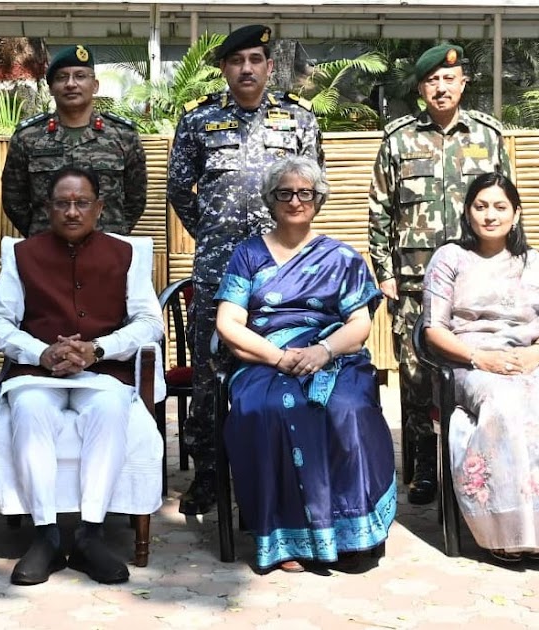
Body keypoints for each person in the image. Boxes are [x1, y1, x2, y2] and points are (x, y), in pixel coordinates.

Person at [0, 166, 163, 586]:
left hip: (102, 372)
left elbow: (150, 322)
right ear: (48, 208)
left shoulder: (126, 254)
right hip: (37, 372)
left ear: (99, 207)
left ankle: (89, 534)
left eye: (82, 203)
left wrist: (98, 349)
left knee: (111, 408)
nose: (73, 212)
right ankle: (45, 535)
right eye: (62, 203)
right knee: (29, 407)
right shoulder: (23, 254)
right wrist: (39, 352)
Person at [166, 24, 323, 515]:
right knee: (210, 374)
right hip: (218, 271)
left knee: (286, 363)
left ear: (270, 66)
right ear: (224, 69)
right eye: (237, 61)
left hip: (283, 272)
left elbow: (312, 188)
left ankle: (285, 465)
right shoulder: (198, 120)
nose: (247, 69)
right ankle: (209, 474)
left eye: (256, 59)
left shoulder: (298, 118)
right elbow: (179, 190)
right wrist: (212, 236)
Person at [215, 157, 394, 573]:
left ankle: (351, 533)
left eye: (304, 193)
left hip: (332, 356)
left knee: (347, 408)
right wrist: (278, 357)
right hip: (265, 358)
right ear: (270, 200)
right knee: (267, 410)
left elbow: (359, 324)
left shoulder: (342, 257)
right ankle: (286, 536)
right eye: (285, 193)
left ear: (318, 199)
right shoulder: (248, 254)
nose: (295, 201)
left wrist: (323, 352)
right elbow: (228, 323)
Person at [369, 44, 512, 505]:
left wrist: (510, 268)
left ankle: (473, 463)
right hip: (414, 282)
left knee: (473, 370)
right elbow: (380, 209)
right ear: (421, 88)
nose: (441, 87)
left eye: (450, 79)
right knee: (415, 377)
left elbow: (507, 205)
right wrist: (385, 272)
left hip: (476, 280)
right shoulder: (398, 139)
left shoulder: (488, 136)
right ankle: (424, 469)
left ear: (463, 83)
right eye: (432, 80)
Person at [422, 173, 539, 562]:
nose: (491, 215)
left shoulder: (533, 262)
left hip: (527, 360)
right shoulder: (450, 258)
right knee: (504, 404)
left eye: (500, 207)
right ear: (468, 212)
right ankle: (505, 531)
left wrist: (534, 356)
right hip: (470, 363)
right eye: (481, 206)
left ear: (516, 213)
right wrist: (479, 358)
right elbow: (433, 330)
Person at [1, 45, 147, 237]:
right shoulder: (28, 137)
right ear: (51, 88)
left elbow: (136, 198)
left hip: (105, 246)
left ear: (95, 85)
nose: (71, 84)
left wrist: (111, 232)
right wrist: (41, 234)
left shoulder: (123, 135)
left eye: (80, 76)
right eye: (62, 77)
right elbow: (14, 199)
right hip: (47, 247)